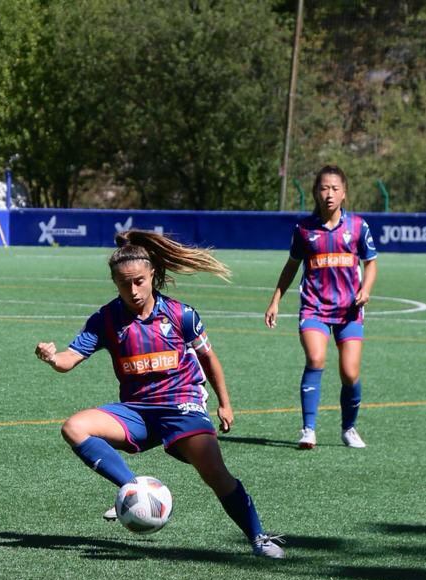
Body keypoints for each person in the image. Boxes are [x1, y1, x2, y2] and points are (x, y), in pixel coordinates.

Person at [35, 230, 285, 559]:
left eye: (139, 281)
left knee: (214, 473)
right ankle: (135, 489)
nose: (133, 290)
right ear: (114, 282)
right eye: (124, 283)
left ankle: (259, 537)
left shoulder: (181, 315)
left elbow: (209, 359)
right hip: (136, 412)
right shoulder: (106, 319)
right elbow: (69, 359)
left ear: (152, 274)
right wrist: (53, 357)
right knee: (74, 427)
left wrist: (225, 403)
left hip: (182, 406)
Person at [264, 165, 378, 450]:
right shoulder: (303, 229)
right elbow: (291, 267)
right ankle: (308, 429)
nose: (329, 194)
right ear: (315, 192)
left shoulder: (357, 227)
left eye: (335, 189)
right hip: (314, 307)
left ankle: (349, 428)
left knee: (350, 373)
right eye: (324, 188)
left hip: (349, 311)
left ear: (344, 193)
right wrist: (276, 300)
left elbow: (371, 263)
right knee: (316, 359)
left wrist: (366, 290)